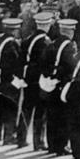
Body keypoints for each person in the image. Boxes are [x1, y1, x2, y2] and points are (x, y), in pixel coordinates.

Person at [19, 12, 54, 150]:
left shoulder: (28, 39)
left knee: (26, 108)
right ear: (46, 25)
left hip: (28, 76)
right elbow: (45, 62)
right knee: (40, 111)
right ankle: (38, 141)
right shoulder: (46, 41)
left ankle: (21, 138)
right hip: (39, 78)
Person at [42, 19, 77, 155]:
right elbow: (70, 66)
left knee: (52, 115)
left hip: (50, 83)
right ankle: (61, 146)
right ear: (70, 31)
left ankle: (52, 145)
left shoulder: (52, 43)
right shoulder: (69, 45)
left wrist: (50, 76)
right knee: (63, 116)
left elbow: (44, 61)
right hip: (62, 84)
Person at [0, 18, 24, 144]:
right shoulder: (12, 43)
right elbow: (14, 62)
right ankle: (8, 136)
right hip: (9, 79)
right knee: (10, 108)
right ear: (15, 30)